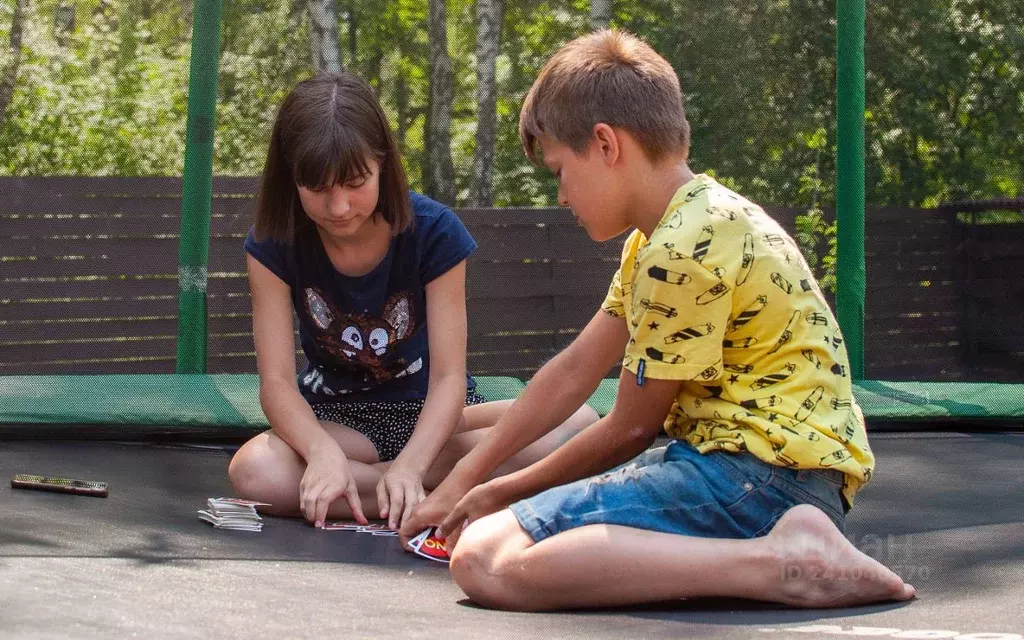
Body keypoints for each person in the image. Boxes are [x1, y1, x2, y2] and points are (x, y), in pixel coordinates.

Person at [399, 30, 916, 611]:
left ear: (604, 145)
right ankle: (786, 546)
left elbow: (629, 428)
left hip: (754, 483)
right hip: (777, 477)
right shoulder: (682, 226)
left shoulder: (681, 250)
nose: (561, 196)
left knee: (486, 556)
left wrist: (500, 491)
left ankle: (780, 563)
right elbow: (574, 371)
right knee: (516, 521)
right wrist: (469, 472)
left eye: (559, 170)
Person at [228, 72, 597, 531]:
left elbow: (447, 379)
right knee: (254, 471)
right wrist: (321, 454)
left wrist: (411, 466)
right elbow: (277, 384)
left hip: (436, 423)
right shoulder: (272, 243)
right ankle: (430, 495)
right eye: (319, 189)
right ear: (291, 178)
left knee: (579, 422)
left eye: (355, 182)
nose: (339, 207)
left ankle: (387, 488)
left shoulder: (435, 232)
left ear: (383, 163)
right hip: (339, 426)